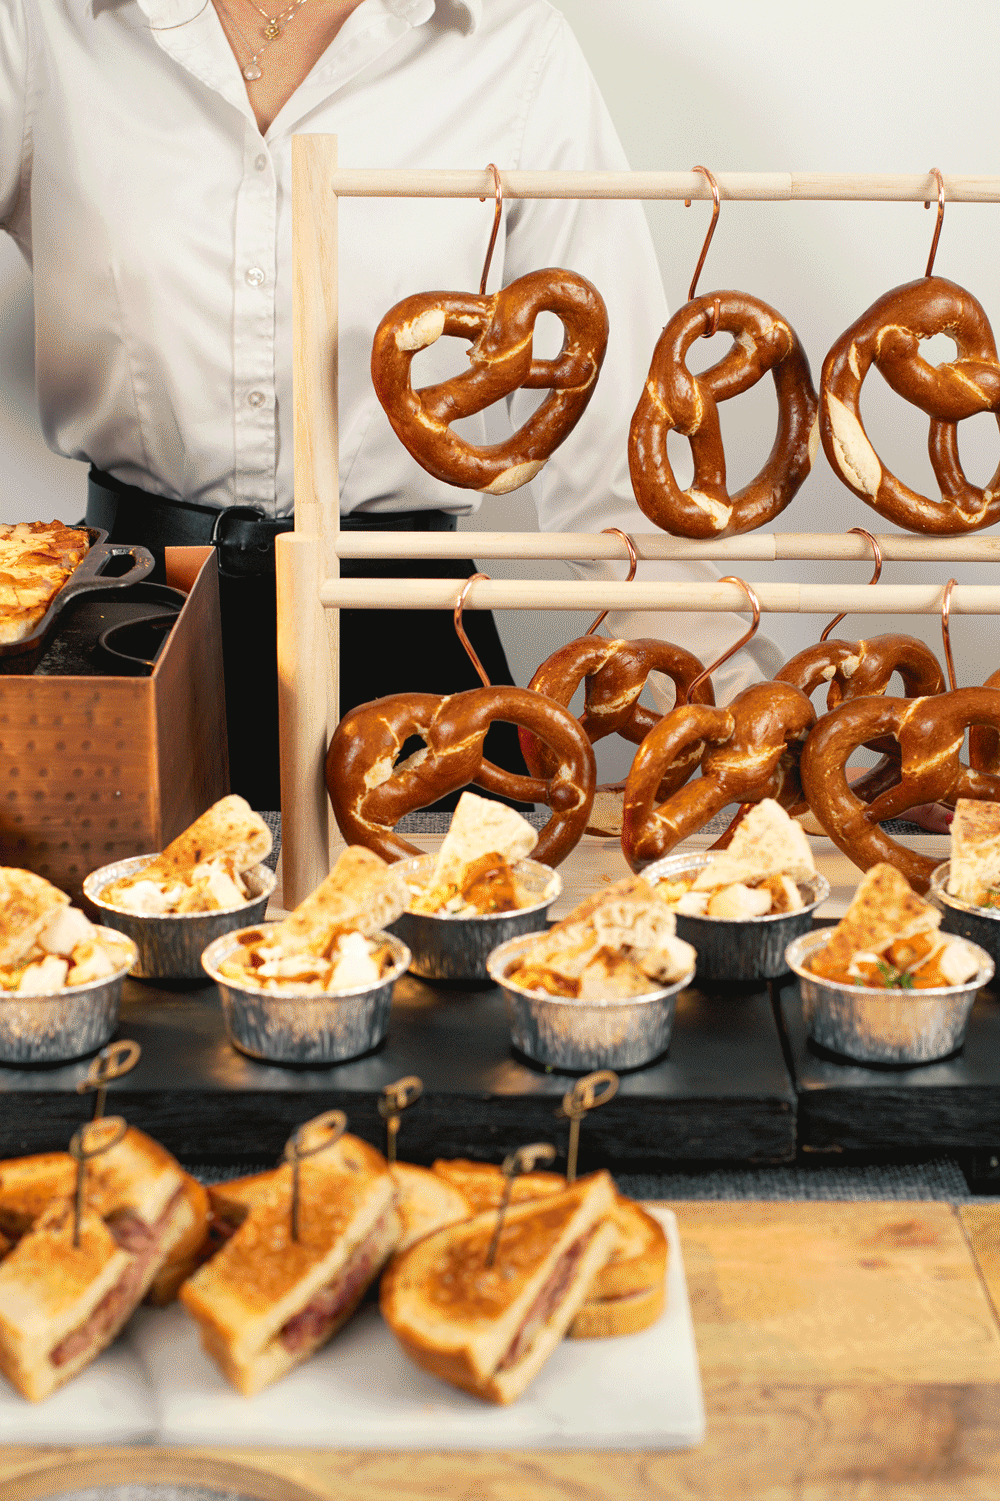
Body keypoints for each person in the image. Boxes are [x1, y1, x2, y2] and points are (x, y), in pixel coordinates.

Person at [0, 0, 798, 812]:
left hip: (417, 662)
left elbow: (624, 471)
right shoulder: (40, 25)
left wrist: (754, 722)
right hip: (112, 645)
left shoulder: (511, 45)